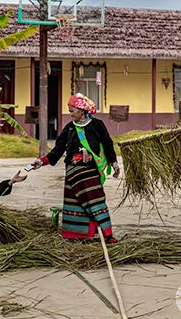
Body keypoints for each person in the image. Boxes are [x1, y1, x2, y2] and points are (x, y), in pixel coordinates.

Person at [30, 93, 121, 242]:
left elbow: (107, 143)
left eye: (72, 111)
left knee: (96, 201)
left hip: (90, 172)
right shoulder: (69, 128)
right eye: (69, 111)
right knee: (76, 204)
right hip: (73, 173)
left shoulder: (97, 125)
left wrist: (114, 162)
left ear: (81, 110)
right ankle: (77, 235)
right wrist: (42, 161)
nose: (70, 114)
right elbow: (58, 150)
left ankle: (107, 234)